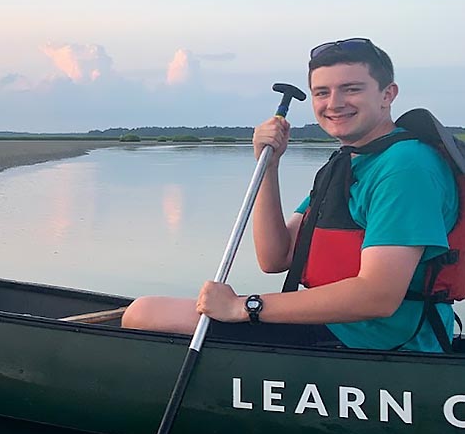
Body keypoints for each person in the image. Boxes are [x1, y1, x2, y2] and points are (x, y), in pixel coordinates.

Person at [122, 38, 460, 352]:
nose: (334, 103)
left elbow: (378, 296)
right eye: (321, 92)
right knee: (145, 312)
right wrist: (269, 167)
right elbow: (275, 257)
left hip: (382, 341)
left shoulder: (405, 166)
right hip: (338, 326)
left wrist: (244, 307)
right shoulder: (347, 161)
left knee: (144, 313)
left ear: (387, 94)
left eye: (351, 89)